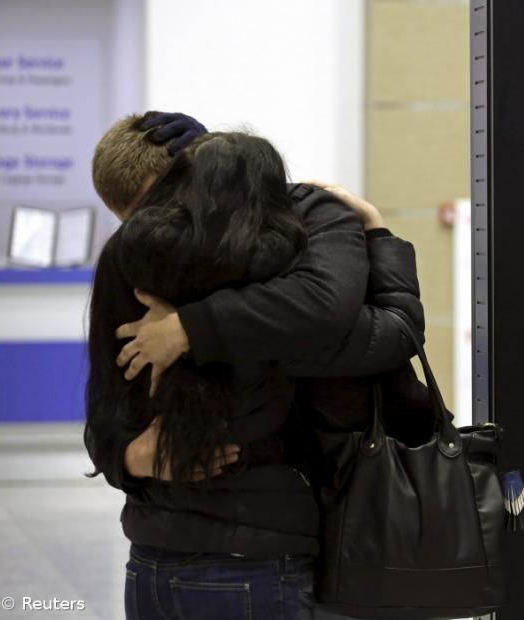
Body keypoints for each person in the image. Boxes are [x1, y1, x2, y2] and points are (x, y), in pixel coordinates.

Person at [85, 114, 427, 619]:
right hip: (239, 550)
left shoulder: (298, 229)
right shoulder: (139, 255)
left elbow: (336, 314)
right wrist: (129, 458)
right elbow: (109, 405)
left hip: (215, 551)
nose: (158, 240)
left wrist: (188, 329)